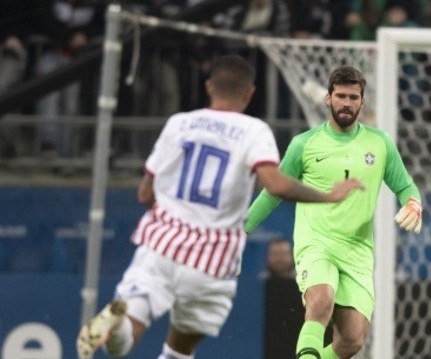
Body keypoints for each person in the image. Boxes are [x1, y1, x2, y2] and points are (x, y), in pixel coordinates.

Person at [76, 55, 363, 359]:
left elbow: (146, 193)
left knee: (126, 331)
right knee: (180, 348)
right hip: (212, 258)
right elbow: (275, 184)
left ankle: (116, 326)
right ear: (250, 93)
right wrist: (327, 196)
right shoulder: (254, 131)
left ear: (209, 86)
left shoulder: (179, 124)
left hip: (161, 244)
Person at [246, 65, 423, 359]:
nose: (347, 103)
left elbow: (405, 186)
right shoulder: (303, 144)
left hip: (357, 251)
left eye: (353, 97)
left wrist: (413, 203)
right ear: (328, 98)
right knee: (321, 300)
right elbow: (273, 192)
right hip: (317, 244)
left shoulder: (380, 144)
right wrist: (242, 229)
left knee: (352, 340)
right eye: (340, 96)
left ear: (362, 102)